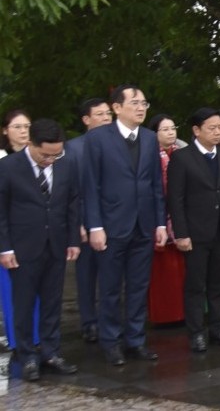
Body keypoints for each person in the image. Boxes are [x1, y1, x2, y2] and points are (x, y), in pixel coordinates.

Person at [83, 84, 166, 366]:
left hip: (143, 224)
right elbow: (90, 186)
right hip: (111, 225)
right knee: (109, 288)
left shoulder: (150, 138)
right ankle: (111, 341)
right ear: (117, 107)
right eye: (135, 103)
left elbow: (155, 184)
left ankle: (135, 340)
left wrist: (160, 223)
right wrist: (94, 226)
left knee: (139, 286)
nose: (141, 108)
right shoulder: (98, 139)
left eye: (144, 103)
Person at [0, 119, 80, 381]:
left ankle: (51, 352)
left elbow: (72, 203)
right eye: (45, 155)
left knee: (52, 302)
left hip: (56, 244)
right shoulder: (8, 167)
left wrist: (73, 240)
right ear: (31, 144)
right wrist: (4, 248)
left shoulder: (65, 164)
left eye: (56, 154)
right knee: (23, 304)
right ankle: (27, 356)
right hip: (22, 247)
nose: (50, 160)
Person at [167, 108, 220, 352]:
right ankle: (196, 332)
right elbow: (175, 199)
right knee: (195, 285)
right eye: (212, 128)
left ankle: (217, 328)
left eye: (219, 127)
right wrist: (181, 233)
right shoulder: (182, 158)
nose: (217, 132)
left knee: (219, 283)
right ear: (196, 130)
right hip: (195, 232)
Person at [67, 98, 113, 344]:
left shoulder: (120, 144)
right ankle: (89, 322)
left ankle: (110, 321)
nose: (106, 118)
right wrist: (79, 223)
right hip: (86, 222)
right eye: (100, 114)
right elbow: (71, 191)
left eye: (108, 113)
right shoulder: (73, 149)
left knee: (113, 276)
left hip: (116, 220)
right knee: (86, 275)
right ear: (86, 119)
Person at [145, 113, 186, 324]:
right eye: (165, 129)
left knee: (183, 269)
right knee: (161, 271)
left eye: (173, 128)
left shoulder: (182, 152)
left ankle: (183, 313)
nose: (171, 133)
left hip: (182, 217)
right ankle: (163, 315)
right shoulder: (148, 155)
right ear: (154, 133)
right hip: (157, 217)